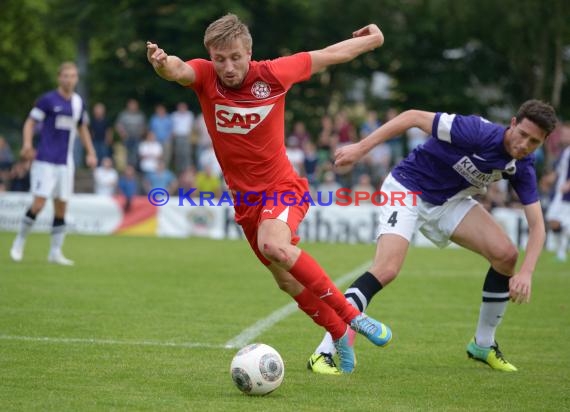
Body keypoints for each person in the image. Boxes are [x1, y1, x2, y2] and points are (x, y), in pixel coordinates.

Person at [147, 13, 391, 375]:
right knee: (286, 280)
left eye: (235, 57)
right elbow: (180, 70)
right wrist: (163, 64)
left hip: (283, 188)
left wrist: (374, 40)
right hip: (245, 203)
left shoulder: (273, 75)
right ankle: (338, 332)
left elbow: (330, 54)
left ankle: (351, 316)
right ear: (210, 57)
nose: (227, 67)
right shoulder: (205, 76)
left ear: (250, 52)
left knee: (274, 245)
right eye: (219, 59)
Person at [307, 99, 557, 374]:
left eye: (534, 141)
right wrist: (360, 148)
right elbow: (412, 116)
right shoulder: (475, 131)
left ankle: (483, 344)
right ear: (512, 123)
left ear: (543, 142)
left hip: (449, 201)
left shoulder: (523, 165)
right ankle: (324, 351)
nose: (524, 144)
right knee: (387, 269)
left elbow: (537, 226)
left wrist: (527, 272)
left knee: (506, 256)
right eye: (522, 134)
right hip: (408, 187)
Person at [10, 61, 97, 265]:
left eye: (73, 76)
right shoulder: (47, 100)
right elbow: (30, 123)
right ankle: (19, 242)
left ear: (77, 78)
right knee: (39, 204)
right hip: (45, 160)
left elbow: (82, 128)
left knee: (61, 208)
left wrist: (91, 152)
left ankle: (55, 252)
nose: (69, 79)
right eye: (65, 75)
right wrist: (27, 144)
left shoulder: (78, 102)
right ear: (59, 78)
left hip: (65, 163)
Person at [544, 123, 570, 262]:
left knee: (562, 221)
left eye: (567, 134)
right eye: (563, 134)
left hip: (566, 195)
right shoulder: (564, 152)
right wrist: (549, 180)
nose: (564, 136)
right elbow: (560, 172)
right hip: (559, 193)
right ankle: (561, 252)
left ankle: (561, 253)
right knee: (555, 220)